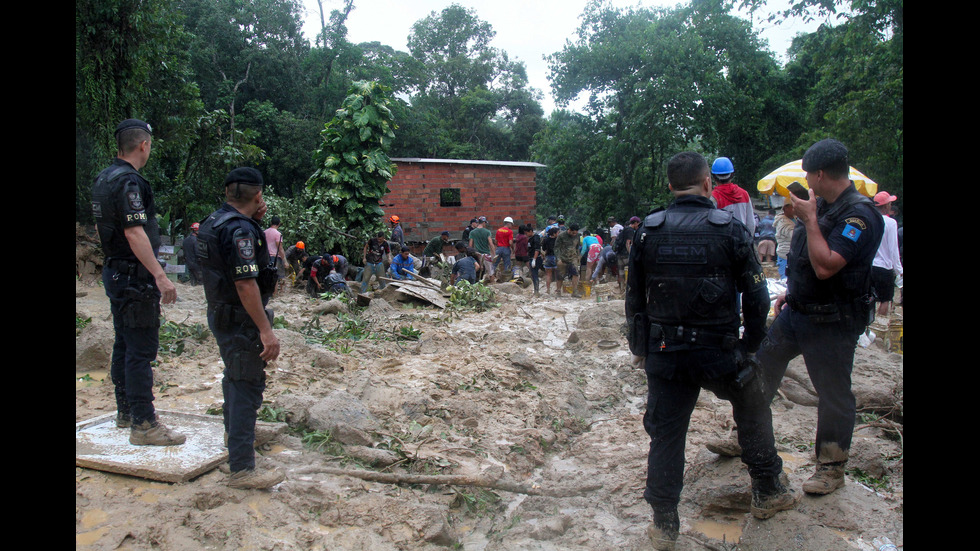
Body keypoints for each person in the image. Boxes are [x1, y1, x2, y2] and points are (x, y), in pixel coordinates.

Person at [626, 152, 794, 549]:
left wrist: (642, 349)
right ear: (707, 184)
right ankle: (768, 490)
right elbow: (755, 296)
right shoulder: (731, 229)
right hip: (719, 351)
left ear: (670, 186)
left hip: (666, 351)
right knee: (752, 406)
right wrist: (750, 348)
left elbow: (634, 298)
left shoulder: (649, 230)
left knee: (666, 434)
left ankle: (664, 523)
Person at [758, 139, 883, 496]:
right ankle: (748, 435)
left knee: (833, 394)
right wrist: (791, 293)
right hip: (797, 311)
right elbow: (805, 266)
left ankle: (831, 465)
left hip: (833, 321)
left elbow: (827, 266)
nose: (807, 184)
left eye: (809, 177)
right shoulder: (824, 206)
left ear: (820, 173)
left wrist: (810, 220)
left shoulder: (859, 215)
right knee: (761, 367)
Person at [91, 118, 184, 446]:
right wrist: (160, 275)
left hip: (114, 271)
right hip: (134, 277)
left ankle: (126, 412)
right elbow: (134, 232)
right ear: (143, 144)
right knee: (141, 349)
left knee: (124, 342)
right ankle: (144, 424)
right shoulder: (131, 182)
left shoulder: (104, 178)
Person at [197, 167, 284, 489]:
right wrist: (266, 330)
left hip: (219, 312)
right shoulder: (240, 230)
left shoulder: (213, 222)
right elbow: (246, 283)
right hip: (240, 317)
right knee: (246, 384)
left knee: (234, 377)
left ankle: (235, 439)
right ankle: (243, 469)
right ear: (258, 195)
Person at [871, 191, 903, 317]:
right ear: (885, 206)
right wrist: (899, 269)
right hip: (884, 267)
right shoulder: (891, 223)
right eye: (889, 203)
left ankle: (869, 328)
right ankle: (880, 327)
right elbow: (893, 249)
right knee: (885, 300)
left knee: (869, 298)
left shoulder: (870, 219)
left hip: (870, 265)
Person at [710, 157, 756, 238]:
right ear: (732, 175)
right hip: (742, 242)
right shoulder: (744, 194)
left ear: (713, 177)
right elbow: (751, 223)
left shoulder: (713, 197)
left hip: (723, 244)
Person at [554, 223, 582, 297]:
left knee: (575, 274)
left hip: (573, 257)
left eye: (575, 233)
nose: (574, 234)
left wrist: (578, 256)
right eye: (573, 233)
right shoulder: (561, 236)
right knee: (560, 275)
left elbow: (577, 247)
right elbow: (556, 248)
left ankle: (575, 292)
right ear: (569, 230)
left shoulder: (577, 236)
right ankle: (558, 291)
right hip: (563, 258)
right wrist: (558, 259)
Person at [773, 202, 796, 280]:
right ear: (785, 208)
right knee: (785, 281)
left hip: (794, 255)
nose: (795, 208)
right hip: (785, 255)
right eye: (792, 207)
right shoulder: (783, 222)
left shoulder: (795, 218)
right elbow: (793, 235)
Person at [468, 216, 495, 282]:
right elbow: (491, 244)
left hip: (477, 255)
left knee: (478, 271)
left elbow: (470, 245)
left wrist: (470, 254)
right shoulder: (487, 232)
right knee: (491, 272)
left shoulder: (472, 232)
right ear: (483, 222)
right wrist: (494, 254)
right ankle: (492, 285)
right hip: (486, 255)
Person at [264, 216, 286, 295]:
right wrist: (285, 261)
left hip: (265, 256)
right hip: (274, 257)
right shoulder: (278, 234)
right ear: (279, 224)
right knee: (274, 276)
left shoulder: (264, 232)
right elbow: (280, 248)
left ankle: (266, 293)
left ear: (271, 223)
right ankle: (274, 293)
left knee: (265, 275)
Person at [492, 216, 516, 282]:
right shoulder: (510, 231)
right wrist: (513, 249)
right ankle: (506, 280)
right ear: (508, 224)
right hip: (506, 249)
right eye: (511, 224)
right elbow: (510, 242)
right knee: (507, 264)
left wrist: (497, 247)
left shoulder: (498, 230)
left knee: (494, 264)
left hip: (499, 248)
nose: (511, 226)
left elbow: (495, 241)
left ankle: (491, 278)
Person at [542, 226, 559, 294]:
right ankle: (558, 289)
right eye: (557, 232)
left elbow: (543, 249)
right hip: (556, 257)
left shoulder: (546, 239)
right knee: (557, 274)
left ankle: (548, 289)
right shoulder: (557, 240)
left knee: (548, 274)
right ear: (554, 234)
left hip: (548, 257)